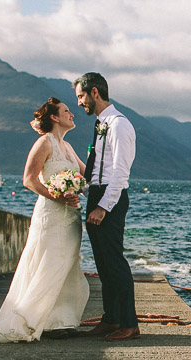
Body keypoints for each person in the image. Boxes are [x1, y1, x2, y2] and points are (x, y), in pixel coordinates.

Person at [0, 98, 90, 343]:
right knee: (49, 262)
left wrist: (77, 189)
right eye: (67, 111)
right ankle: (32, 318)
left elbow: (86, 175)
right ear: (55, 117)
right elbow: (29, 179)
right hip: (52, 213)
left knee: (67, 264)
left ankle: (60, 321)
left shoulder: (67, 146)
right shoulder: (43, 143)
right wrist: (57, 196)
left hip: (71, 216)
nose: (72, 114)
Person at [73, 72, 140, 341]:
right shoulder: (102, 123)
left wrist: (103, 206)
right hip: (97, 194)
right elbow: (98, 168)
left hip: (110, 199)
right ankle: (111, 319)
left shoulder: (119, 125)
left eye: (81, 96)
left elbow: (120, 174)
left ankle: (129, 324)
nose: (79, 103)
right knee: (102, 264)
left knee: (115, 262)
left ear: (95, 93)